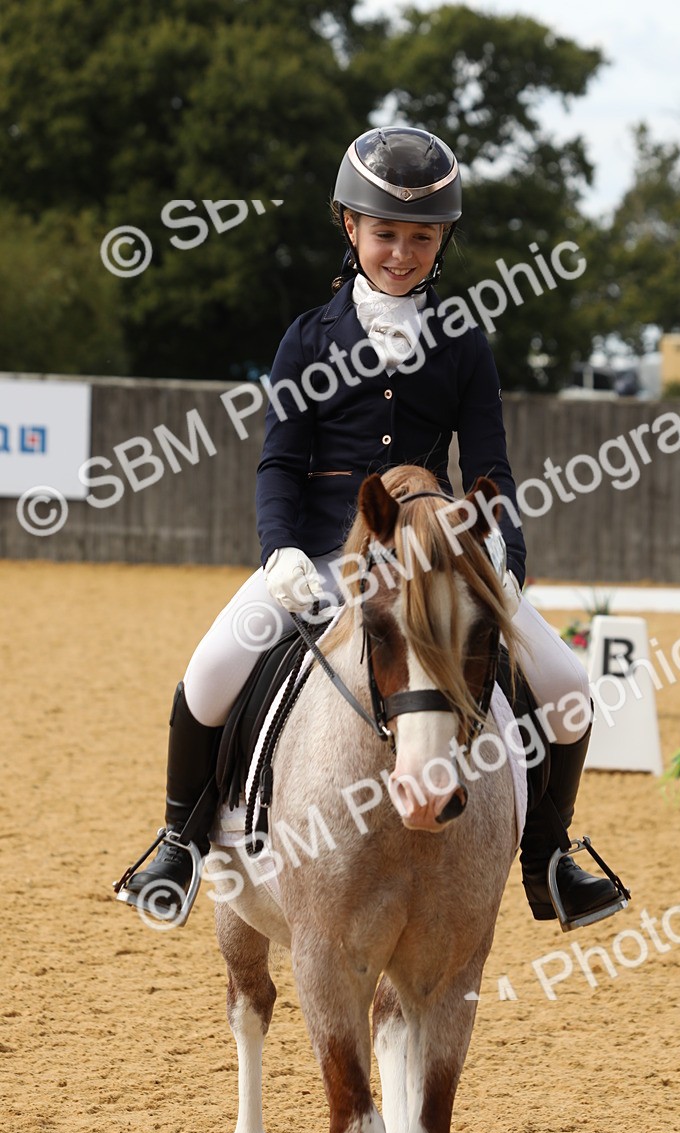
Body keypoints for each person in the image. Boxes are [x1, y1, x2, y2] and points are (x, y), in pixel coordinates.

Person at [123, 126, 622, 928]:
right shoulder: (306, 339)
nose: (401, 252)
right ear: (350, 228)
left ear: (441, 241)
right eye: (384, 233)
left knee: (567, 690)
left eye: (420, 237)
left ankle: (550, 858)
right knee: (209, 674)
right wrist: (279, 550)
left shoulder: (464, 340)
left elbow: (492, 462)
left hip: (436, 559)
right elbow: (279, 463)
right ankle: (178, 842)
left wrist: (502, 552)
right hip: (321, 556)